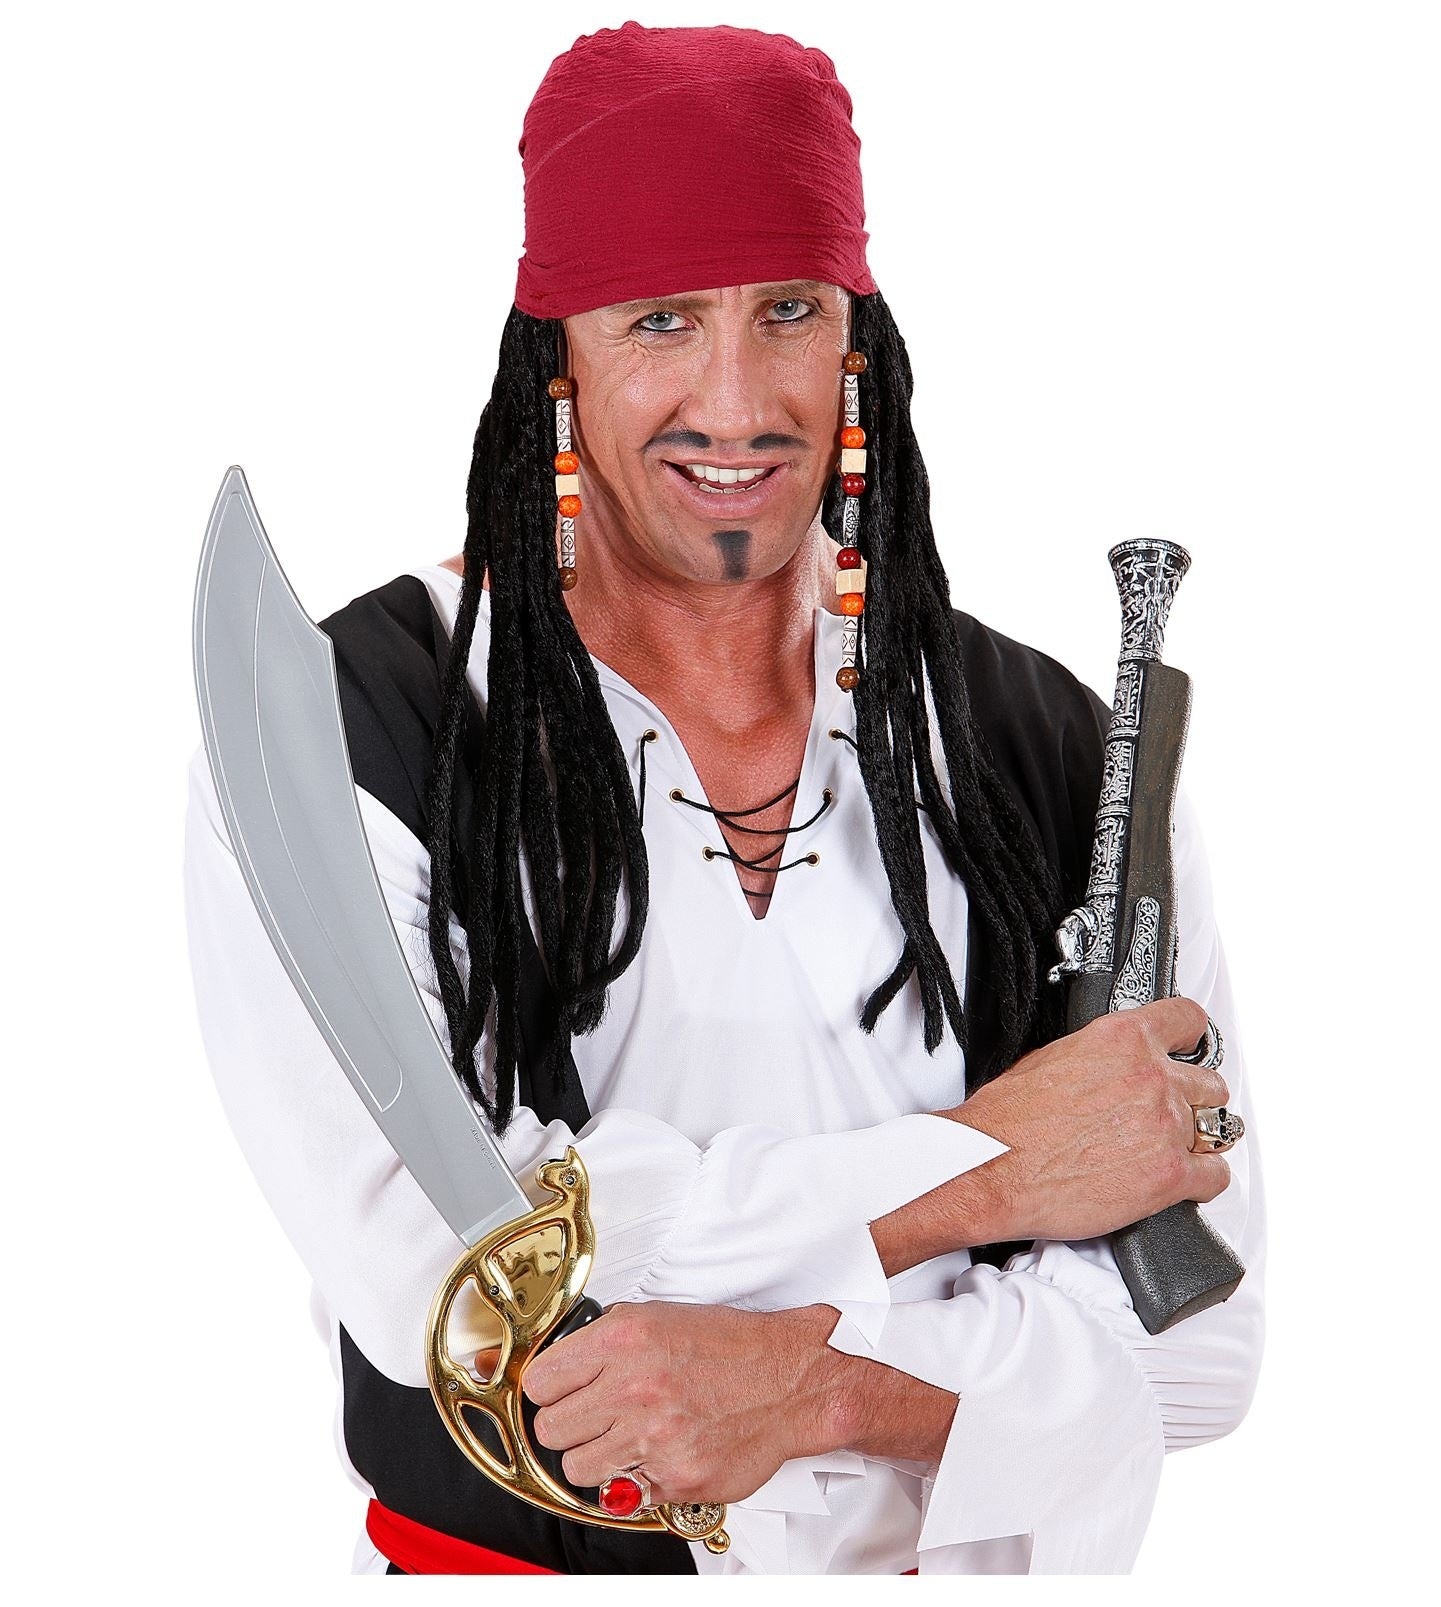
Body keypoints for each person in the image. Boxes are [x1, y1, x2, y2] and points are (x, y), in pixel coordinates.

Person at [183, 20, 1264, 1576]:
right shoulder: (364, 732)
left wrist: (811, 1388)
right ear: (556, 357)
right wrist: (980, 1173)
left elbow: (1193, 1352)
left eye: (788, 311)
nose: (737, 400)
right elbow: (443, 1281)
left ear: (857, 342)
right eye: (660, 321)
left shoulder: (1038, 751)